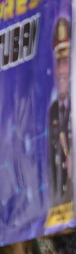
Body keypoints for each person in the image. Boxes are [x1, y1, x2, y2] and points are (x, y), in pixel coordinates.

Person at [49, 17, 72, 210]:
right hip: (61, 210)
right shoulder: (53, 112)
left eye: (65, 60)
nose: (61, 70)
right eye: (58, 61)